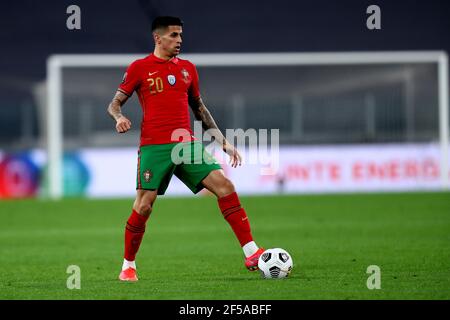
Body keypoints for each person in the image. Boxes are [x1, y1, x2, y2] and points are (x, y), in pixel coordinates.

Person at [107, 16, 263, 282]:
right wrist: (119, 117)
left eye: (180, 35)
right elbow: (114, 104)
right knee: (144, 206)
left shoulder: (188, 69)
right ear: (158, 38)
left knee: (224, 186)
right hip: (154, 147)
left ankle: (251, 252)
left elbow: (200, 109)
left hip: (186, 144)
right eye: (173, 35)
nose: (179, 40)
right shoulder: (139, 68)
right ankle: (128, 266)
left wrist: (222, 141)